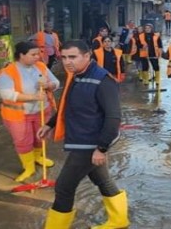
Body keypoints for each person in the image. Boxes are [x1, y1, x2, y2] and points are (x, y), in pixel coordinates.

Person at [39, 40, 128, 229]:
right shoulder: (77, 75)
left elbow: (113, 118)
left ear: (87, 56)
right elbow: (68, 105)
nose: (67, 62)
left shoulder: (103, 80)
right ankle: (119, 221)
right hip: (83, 140)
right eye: (63, 57)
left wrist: (101, 148)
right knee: (102, 179)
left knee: (63, 187)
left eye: (73, 57)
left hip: (90, 144)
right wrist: (50, 124)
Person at [0, 41, 60, 183]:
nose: (37, 57)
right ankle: (29, 167)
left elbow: (56, 82)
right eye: (33, 54)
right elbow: (7, 95)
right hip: (18, 115)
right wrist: (33, 97)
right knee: (23, 141)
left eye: (38, 53)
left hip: (42, 111)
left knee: (41, 136)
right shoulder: (7, 72)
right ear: (21, 55)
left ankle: (38, 157)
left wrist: (49, 85)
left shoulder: (41, 67)